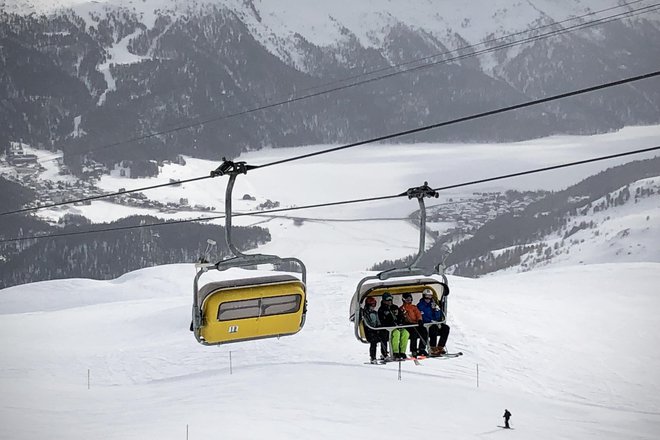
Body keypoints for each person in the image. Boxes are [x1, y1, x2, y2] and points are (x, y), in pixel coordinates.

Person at [417, 288, 451, 356]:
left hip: (435, 323)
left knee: (446, 328)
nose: (428, 298)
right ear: (423, 296)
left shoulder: (434, 304)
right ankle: (433, 347)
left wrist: (436, 310)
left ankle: (440, 346)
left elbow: (439, 316)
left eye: (430, 296)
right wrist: (431, 321)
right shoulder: (420, 305)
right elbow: (422, 316)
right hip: (426, 325)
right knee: (433, 328)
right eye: (426, 296)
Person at [378, 292, 409, 360]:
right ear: (383, 300)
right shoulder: (381, 310)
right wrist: (391, 324)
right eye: (387, 300)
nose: (389, 302)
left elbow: (401, 316)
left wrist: (401, 322)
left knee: (406, 333)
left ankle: (402, 352)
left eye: (390, 300)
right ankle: (395, 352)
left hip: (398, 326)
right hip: (389, 328)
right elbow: (382, 320)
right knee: (396, 334)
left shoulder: (395, 307)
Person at [400, 292, 428, 357]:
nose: (409, 300)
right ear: (403, 299)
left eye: (410, 298)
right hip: (408, 325)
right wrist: (406, 319)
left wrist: (420, 320)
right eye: (407, 299)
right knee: (414, 333)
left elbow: (418, 313)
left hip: (416, 324)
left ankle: (422, 348)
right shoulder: (402, 308)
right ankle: (413, 350)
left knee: (424, 330)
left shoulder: (414, 307)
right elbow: (403, 316)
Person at [362, 296, 389, 363]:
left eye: (374, 304)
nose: (373, 306)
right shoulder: (365, 313)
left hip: (375, 329)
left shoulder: (375, 313)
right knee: (373, 341)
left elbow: (378, 322)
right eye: (372, 305)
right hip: (369, 331)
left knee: (383, 336)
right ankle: (373, 357)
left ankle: (384, 354)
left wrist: (379, 327)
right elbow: (366, 323)